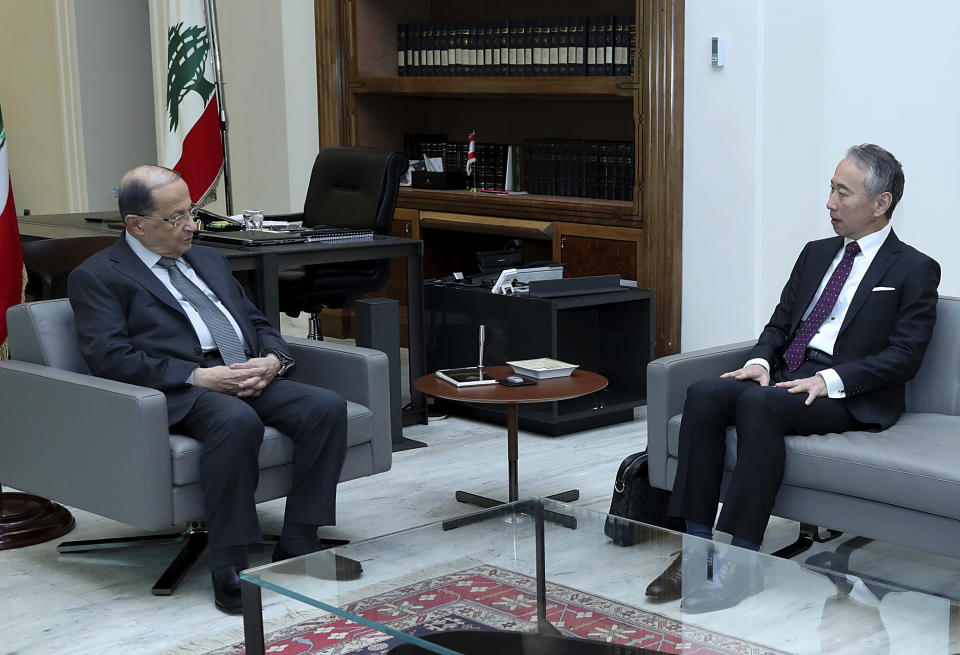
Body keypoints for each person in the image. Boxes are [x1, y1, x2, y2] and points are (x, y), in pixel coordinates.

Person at [645, 144, 940, 613]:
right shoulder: (816, 253)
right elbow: (781, 324)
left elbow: (904, 357)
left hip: (848, 392)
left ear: (880, 203)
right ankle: (696, 552)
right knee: (703, 394)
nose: (830, 203)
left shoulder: (913, 268)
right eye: (830, 189)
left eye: (843, 193)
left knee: (757, 405)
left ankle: (742, 561)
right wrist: (761, 361)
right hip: (787, 373)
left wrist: (831, 380)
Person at [67, 165, 350, 614]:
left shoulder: (209, 258)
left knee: (326, 407)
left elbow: (257, 322)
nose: (192, 226)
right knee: (235, 421)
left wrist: (274, 360)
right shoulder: (99, 276)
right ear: (136, 225)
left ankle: (298, 542)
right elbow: (109, 357)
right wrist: (196, 377)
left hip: (241, 369)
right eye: (176, 218)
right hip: (178, 386)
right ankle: (230, 562)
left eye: (192, 212)